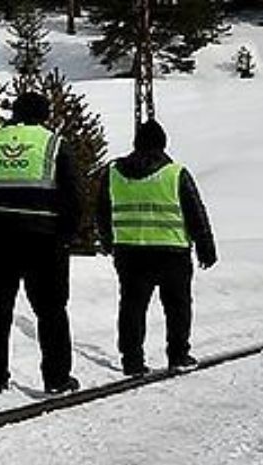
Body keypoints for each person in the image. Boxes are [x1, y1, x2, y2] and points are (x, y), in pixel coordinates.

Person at [0, 91, 82, 395]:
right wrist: (67, 235)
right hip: (43, 238)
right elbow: (72, 194)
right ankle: (57, 378)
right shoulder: (54, 144)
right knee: (51, 309)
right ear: (44, 115)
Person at [98, 119, 216, 376]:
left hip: (129, 251)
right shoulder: (175, 173)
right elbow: (196, 213)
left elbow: (102, 212)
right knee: (177, 306)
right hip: (171, 252)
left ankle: (131, 360)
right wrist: (206, 247)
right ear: (163, 144)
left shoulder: (112, 172)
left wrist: (108, 241)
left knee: (131, 306)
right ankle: (178, 355)